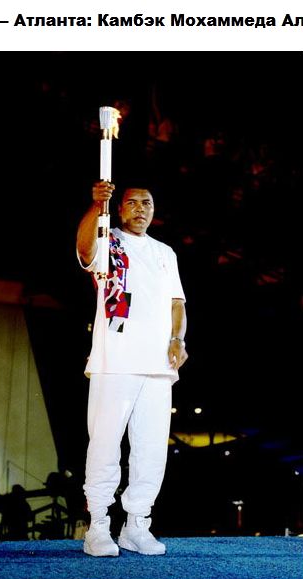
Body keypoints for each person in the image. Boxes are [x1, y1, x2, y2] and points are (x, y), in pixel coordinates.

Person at [76, 181, 188, 556]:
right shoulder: (109, 240)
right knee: (105, 443)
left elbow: (177, 303)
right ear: (121, 209)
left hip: (158, 364)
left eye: (147, 203)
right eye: (132, 203)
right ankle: (98, 527)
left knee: (151, 449)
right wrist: (97, 207)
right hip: (115, 359)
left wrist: (177, 339)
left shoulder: (165, 253)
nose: (140, 208)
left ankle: (137, 525)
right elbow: (84, 250)